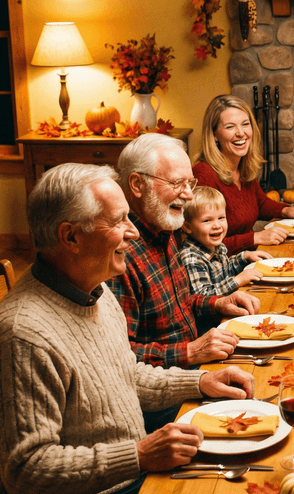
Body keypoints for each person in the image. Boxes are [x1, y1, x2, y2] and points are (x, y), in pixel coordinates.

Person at [0, 163, 257, 494]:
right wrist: (139, 456)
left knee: (240, 475)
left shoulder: (97, 291)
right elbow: (26, 470)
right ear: (70, 237)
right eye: (118, 221)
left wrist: (198, 383)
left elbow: (125, 374)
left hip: (121, 481)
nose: (135, 232)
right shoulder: (23, 335)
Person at [108, 133, 260, 368]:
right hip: (170, 383)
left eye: (190, 183)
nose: (188, 195)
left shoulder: (164, 226)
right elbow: (117, 356)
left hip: (199, 357)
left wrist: (218, 302)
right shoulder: (119, 254)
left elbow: (180, 302)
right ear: (137, 184)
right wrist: (190, 351)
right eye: (177, 183)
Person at [193, 94, 294, 254]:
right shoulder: (204, 174)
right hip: (223, 269)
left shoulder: (242, 165)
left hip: (249, 257)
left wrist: (286, 210)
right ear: (214, 135)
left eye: (245, 124)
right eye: (230, 127)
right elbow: (204, 244)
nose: (241, 133)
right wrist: (255, 238)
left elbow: (259, 203)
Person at [181, 186, 270, 296]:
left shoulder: (217, 246)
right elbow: (202, 295)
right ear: (187, 227)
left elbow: (225, 270)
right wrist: (237, 281)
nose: (217, 226)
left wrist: (245, 257)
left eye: (221, 218)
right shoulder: (191, 258)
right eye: (207, 220)